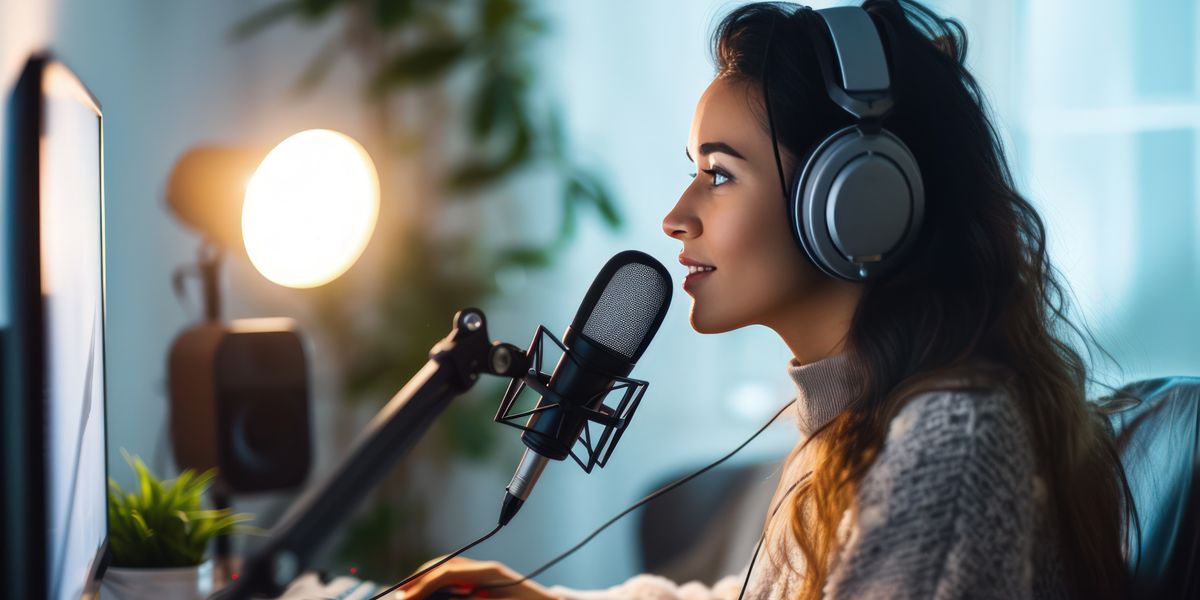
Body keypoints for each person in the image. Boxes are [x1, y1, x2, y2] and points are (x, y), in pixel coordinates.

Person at [397, 1, 1136, 598]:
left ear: (855, 201)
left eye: (718, 175)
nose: (676, 216)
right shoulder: (862, 426)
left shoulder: (951, 446)